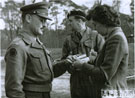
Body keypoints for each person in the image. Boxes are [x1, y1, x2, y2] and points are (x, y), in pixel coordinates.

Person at [4, 2, 70, 98]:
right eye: (42, 20)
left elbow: (45, 73)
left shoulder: (38, 44)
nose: (45, 25)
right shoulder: (19, 46)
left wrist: (66, 63)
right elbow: (13, 89)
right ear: (28, 18)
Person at [73, 5, 129, 98]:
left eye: (95, 24)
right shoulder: (113, 36)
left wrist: (82, 65)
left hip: (114, 93)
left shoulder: (116, 39)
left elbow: (104, 74)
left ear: (105, 23)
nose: (95, 29)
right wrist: (93, 60)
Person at [61, 10, 105, 98]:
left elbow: (104, 58)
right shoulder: (68, 39)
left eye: (71, 21)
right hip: (76, 81)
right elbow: (63, 60)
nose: (69, 23)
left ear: (80, 21)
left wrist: (91, 59)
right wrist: (69, 62)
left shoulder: (96, 36)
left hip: (92, 79)